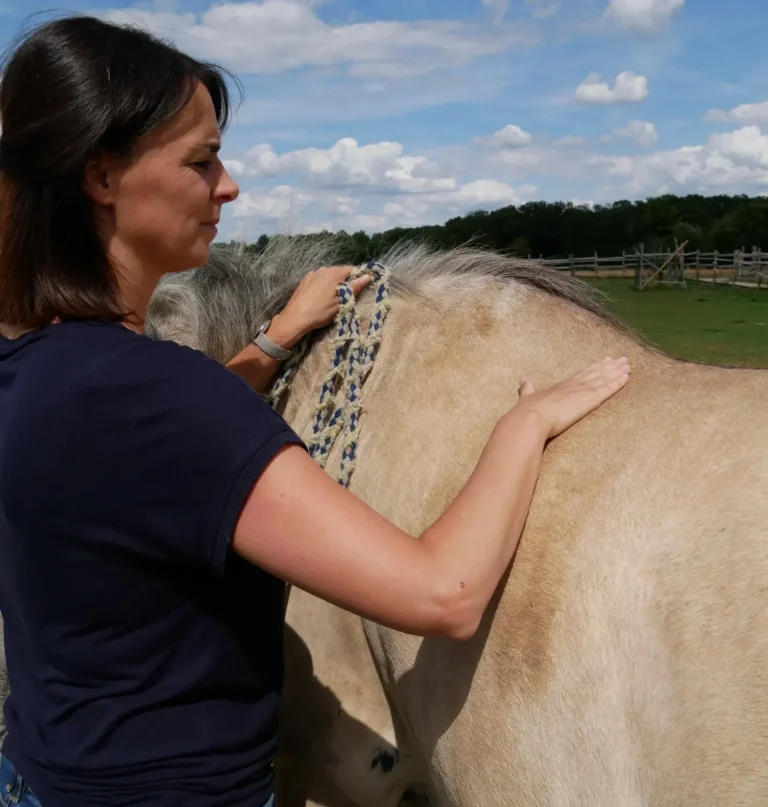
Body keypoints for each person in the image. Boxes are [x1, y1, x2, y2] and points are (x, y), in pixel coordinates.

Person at [0, 14, 631, 807]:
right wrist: (522, 427)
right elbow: (444, 592)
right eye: (201, 162)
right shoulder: (163, 397)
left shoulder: (35, 370)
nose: (227, 185)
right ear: (101, 177)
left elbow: (149, 450)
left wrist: (273, 339)